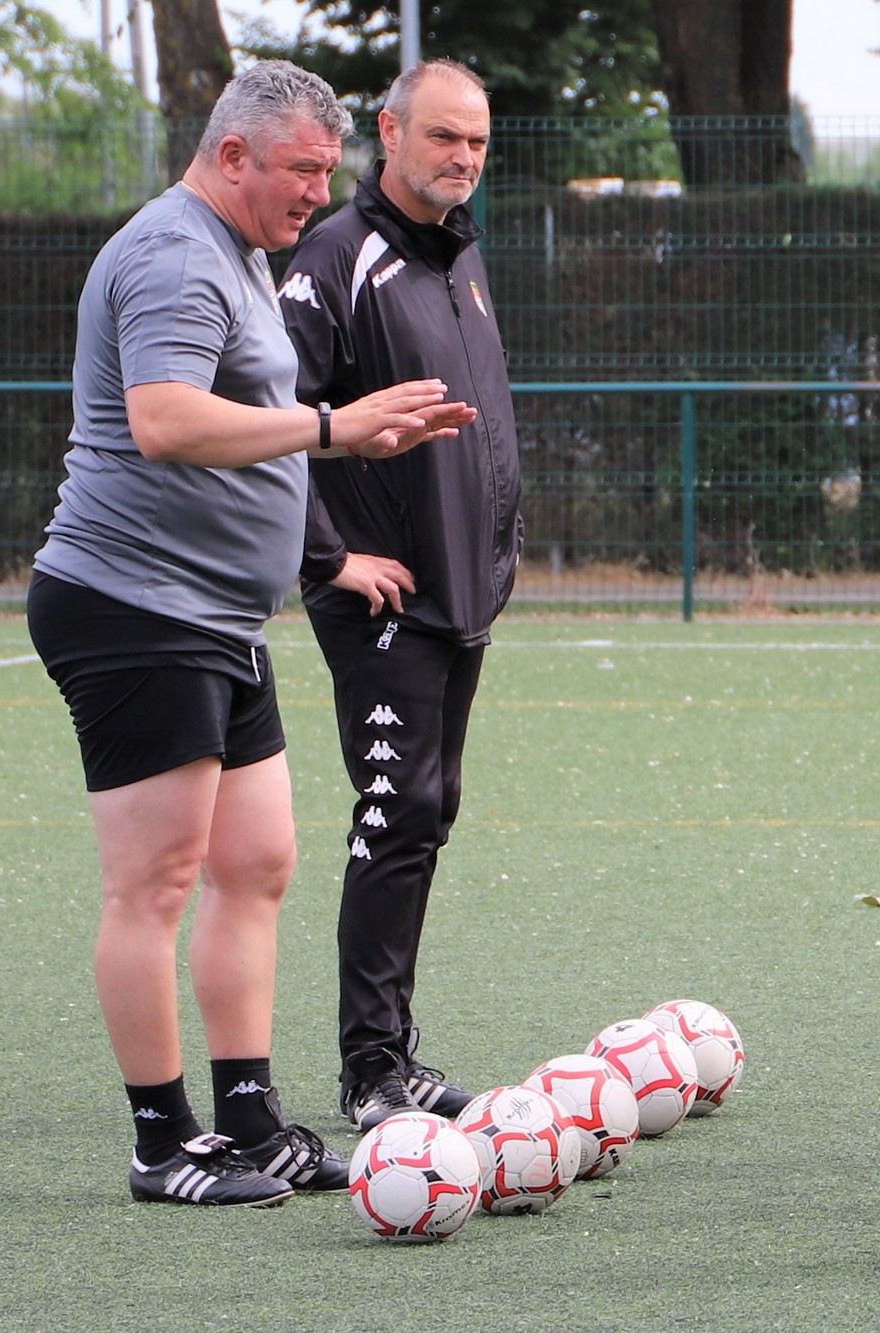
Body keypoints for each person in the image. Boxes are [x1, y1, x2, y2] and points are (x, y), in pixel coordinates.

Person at [27, 60, 470, 1207]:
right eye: (302, 171)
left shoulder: (238, 253)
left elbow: (246, 421)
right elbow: (165, 419)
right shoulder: (177, 254)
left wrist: (343, 455)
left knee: (257, 863)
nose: (320, 193)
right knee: (155, 883)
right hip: (135, 608)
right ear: (232, 155)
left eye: (328, 171)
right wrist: (331, 426)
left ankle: (250, 1118)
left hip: (216, 615)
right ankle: (163, 1142)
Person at [279, 58, 521, 1132]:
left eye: (476, 142)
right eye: (442, 137)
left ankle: (396, 1054)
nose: (462, 158)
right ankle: (370, 1070)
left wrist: (500, 550)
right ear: (388, 132)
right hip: (383, 598)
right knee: (393, 813)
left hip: (460, 592)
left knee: (426, 812)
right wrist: (327, 560)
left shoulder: (458, 255)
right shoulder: (336, 256)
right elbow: (265, 421)